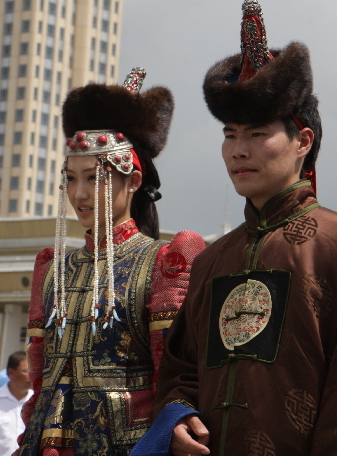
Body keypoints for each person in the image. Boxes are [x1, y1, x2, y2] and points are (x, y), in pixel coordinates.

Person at [134, 0, 337, 456]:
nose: (239, 150)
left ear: (303, 140)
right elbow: (181, 369)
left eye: (257, 134)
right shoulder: (213, 260)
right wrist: (178, 416)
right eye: (229, 134)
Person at [17, 68, 206, 456]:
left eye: (94, 178)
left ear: (133, 181)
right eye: (70, 179)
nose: (80, 193)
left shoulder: (163, 261)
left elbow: (171, 371)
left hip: (128, 444)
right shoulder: (52, 268)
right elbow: (39, 372)